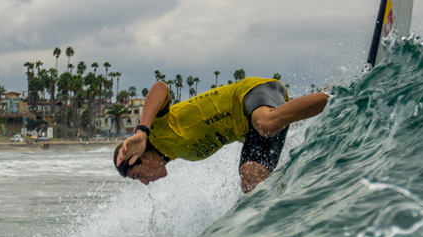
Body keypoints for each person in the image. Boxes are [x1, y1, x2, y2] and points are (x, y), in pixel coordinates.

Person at [114, 77, 329, 193]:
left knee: (265, 123)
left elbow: (160, 87)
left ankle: (336, 97)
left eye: (137, 175)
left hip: (249, 95)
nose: (145, 182)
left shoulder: (157, 132)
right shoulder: (174, 152)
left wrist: (142, 132)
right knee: (250, 180)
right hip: (249, 129)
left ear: (140, 156)